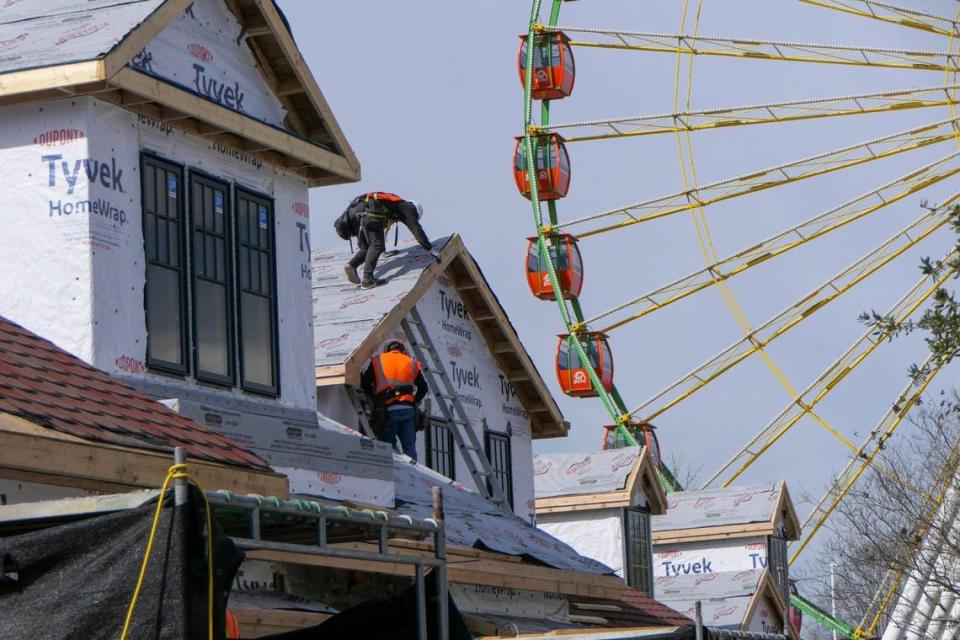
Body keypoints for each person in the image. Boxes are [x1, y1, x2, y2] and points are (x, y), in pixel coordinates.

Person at [340, 192, 441, 288]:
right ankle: (367, 280)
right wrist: (430, 249)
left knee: (368, 247)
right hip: (368, 215)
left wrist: (384, 252)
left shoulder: (390, 203)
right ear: (415, 210)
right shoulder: (407, 207)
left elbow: (380, 229)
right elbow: (416, 229)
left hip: (356, 214)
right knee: (377, 245)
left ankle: (352, 265)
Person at [361, 340, 428, 459]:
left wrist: (375, 400)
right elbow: (423, 388)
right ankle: (411, 475)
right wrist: (414, 401)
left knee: (387, 448)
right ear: (403, 350)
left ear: (387, 349)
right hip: (408, 410)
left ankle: (394, 473)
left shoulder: (378, 360)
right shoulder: (411, 362)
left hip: (387, 410)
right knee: (409, 450)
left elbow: (365, 384)